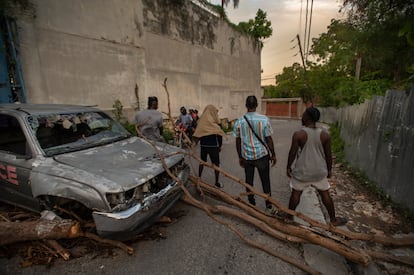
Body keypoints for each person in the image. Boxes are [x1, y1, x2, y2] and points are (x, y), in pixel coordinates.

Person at [285, 107, 347, 226]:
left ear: (307, 117)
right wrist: (329, 170)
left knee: (296, 194)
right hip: (319, 171)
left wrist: (288, 167)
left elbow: (292, 153)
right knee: (325, 194)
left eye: (303, 114)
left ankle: (289, 217)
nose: (302, 116)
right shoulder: (325, 135)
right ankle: (333, 220)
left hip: (303, 172)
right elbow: (328, 155)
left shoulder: (299, 134)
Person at [233, 95, 277, 214]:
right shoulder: (264, 119)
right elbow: (269, 139)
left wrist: (240, 157)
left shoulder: (239, 121)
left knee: (249, 181)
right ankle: (269, 206)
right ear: (257, 105)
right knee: (265, 181)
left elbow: (238, 141)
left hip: (247, 156)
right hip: (262, 155)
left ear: (246, 105)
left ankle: (251, 204)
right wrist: (273, 155)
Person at [193, 105, 225, 188]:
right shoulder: (214, 121)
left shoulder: (201, 121)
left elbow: (198, 132)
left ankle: (199, 179)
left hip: (203, 146)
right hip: (213, 146)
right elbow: (219, 134)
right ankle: (217, 182)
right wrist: (220, 146)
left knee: (202, 162)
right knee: (216, 164)